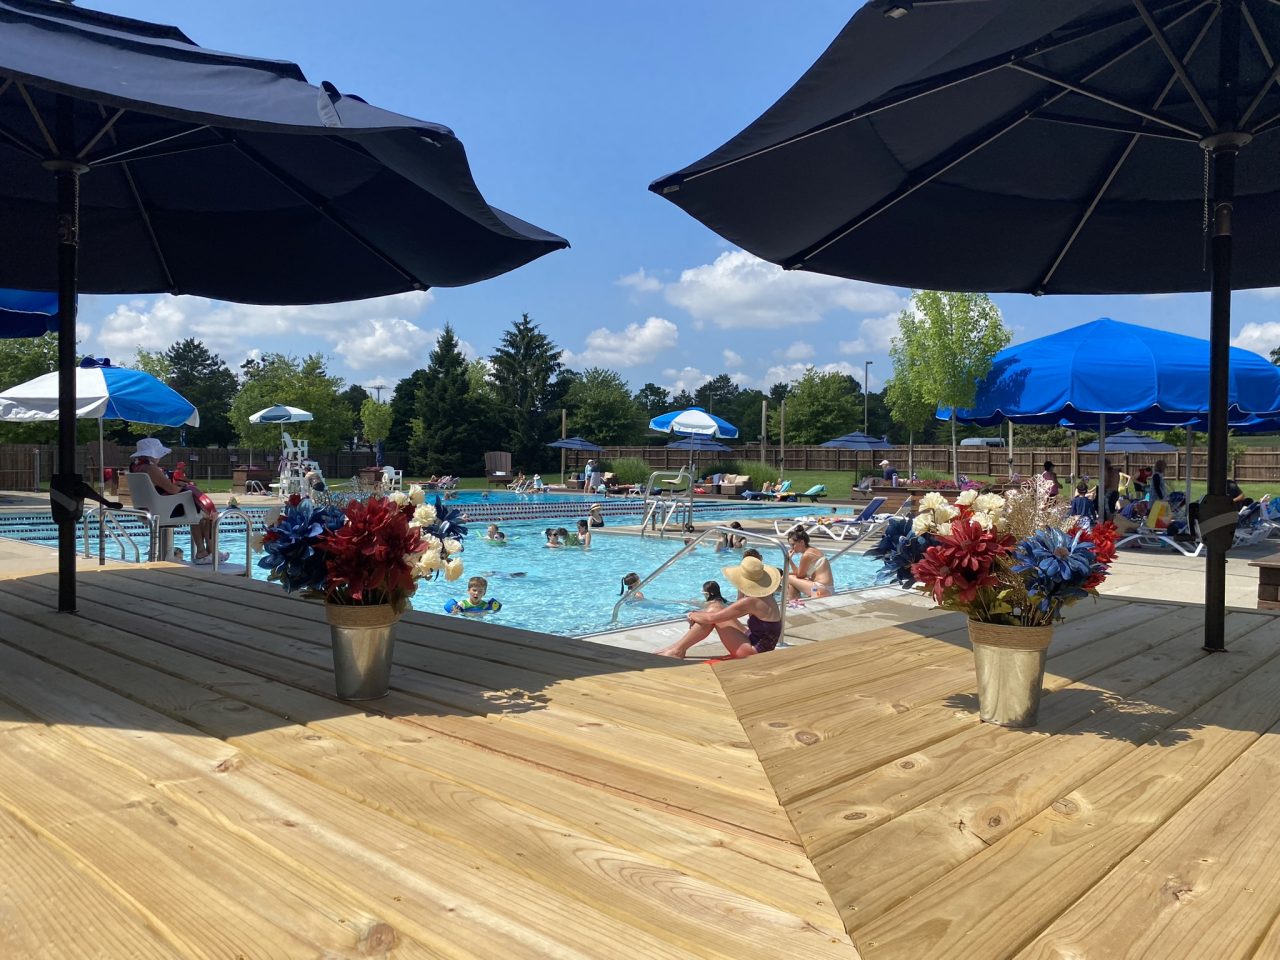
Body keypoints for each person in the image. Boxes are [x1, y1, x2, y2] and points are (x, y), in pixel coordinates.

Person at [655, 556, 783, 659]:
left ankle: (677, 650)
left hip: (753, 653)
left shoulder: (751, 602)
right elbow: (732, 610)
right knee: (716, 608)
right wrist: (700, 614)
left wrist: (691, 614)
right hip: (758, 643)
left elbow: (712, 618)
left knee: (713, 612)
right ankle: (677, 648)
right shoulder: (765, 597)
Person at [129, 437, 226, 564]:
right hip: (163, 510)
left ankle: (204, 552)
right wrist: (186, 487)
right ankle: (209, 551)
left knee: (197, 512)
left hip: (147, 510)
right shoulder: (150, 468)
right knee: (206, 513)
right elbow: (172, 489)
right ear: (153, 454)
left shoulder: (135, 468)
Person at [785, 529, 834, 602]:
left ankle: (793, 602)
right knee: (790, 578)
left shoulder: (807, 555)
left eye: (793, 545)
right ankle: (794, 602)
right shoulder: (813, 550)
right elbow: (801, 574)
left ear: (802, 542)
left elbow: (799, 576)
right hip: (827, 589)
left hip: (820, 589)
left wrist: (789, 560)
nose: (792, 548)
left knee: (787, 578)